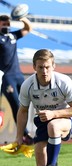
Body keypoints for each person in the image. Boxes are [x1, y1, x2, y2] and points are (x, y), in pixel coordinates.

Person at [15, 49, 72, 166]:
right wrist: (19, 137)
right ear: (34, 67)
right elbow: (23, 111)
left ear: (53, 66)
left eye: (47, 67)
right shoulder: (27, 85)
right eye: (40, 67)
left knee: (54, 126)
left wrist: (54, 114)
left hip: (66, 119)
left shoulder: (64, 81)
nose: (44, 71)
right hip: (43, 122)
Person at [0, 14, 33, 143]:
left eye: (8, 24)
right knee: (17, 105)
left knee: (26, 104)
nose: (7, 26)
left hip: (19, 75)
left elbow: (28, 28)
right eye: (4, 24)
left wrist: (21, 18)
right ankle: (25, 135)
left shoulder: (12, 36)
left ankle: (26, 133)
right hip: (7, 78)